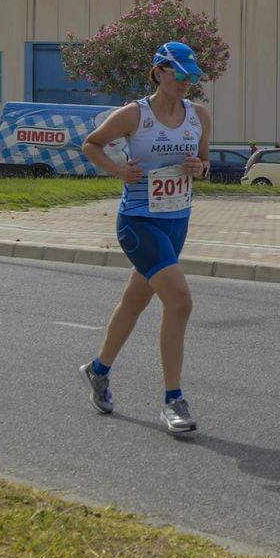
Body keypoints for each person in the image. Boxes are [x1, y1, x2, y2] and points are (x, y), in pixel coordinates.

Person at [79, 41, 210, 435]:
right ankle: (174, 400)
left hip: (177, 220)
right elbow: (91, 144)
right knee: (180, 301)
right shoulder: (135, 114)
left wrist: (197, 167)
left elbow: (203, 164)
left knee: (134, 302)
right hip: (138, 221)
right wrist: (119, 171)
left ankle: (98, 371)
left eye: (193, 75)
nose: (188, 82)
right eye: (180, 74)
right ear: (159, 72)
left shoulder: (199, 115)